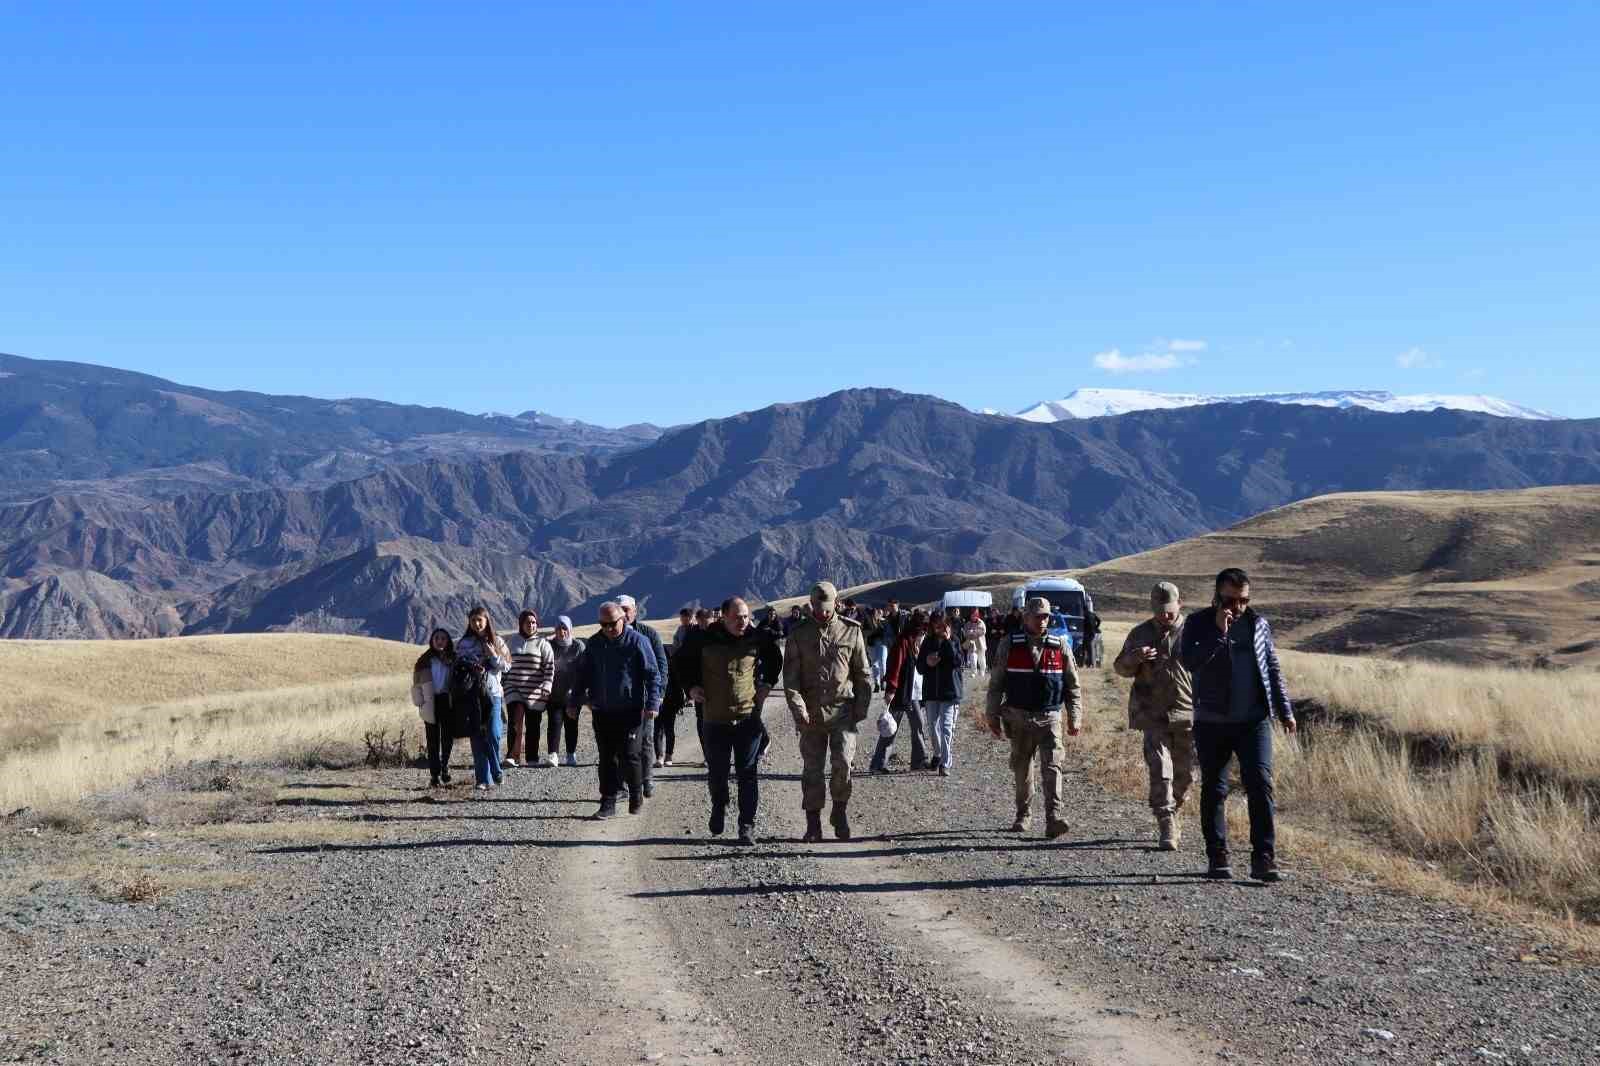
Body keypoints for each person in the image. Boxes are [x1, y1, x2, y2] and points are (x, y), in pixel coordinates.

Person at [1179, 568, 1296, 883]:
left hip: (1253, 720)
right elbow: (1189, 662)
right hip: (1212, 721)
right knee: (1215, 790)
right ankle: (1217, 856)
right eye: (1231, 600)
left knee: (1260, 784)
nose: (1238, 607)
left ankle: (1264, 859)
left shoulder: (1258, 625)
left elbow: (1271, 666)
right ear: (1217, 595)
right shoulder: (1197, 623)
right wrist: (1218, 632)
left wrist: (1285, 710)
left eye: (1244, 600)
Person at [677, 596, 783, 845]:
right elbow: (681, 663)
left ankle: (746, 825)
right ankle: (719, 805)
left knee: (748, 773)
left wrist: (766, 685)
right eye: (737, 617)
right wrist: (691, 688)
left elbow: (775, 660)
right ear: (723, 616)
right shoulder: (703, 638)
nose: (743, 622)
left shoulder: (756, 637)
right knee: (718, 773)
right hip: (714, 720)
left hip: (748, 718)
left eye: (746, 616)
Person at [782, 580, 873, 842]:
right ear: (811, 605)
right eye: (817, 607)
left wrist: (861, 709)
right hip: (812, 714)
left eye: (826, 607)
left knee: (843, 764)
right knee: (812, 769)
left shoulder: (851, 631)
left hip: (843, 712)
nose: (822, 612)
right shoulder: (799, 634)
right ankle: (813, 823)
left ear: (836, 603)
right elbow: (791, 680)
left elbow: (863, 675)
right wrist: (799, 710)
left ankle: (840, 811)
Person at [984, 596, 1082, 838]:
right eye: (1037, 616)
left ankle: (1053, 818)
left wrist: (1075, 716)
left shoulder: (1059, 645)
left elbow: (1073, 685)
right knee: (1022, 769)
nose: (1042, 620)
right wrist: (992, 715)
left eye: (1045, 616)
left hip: (1050, 717)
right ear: (1025, 617)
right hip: (1019, 718)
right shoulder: (1010, 644)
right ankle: (1023, 815)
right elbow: (996, 683)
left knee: (1053, 767)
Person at [1113, 582, 1194, 851]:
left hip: (1186, 713)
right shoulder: (1140, 634)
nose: (1166, 616)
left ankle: (1174, 809)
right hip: (1151, 713)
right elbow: (1120, 669)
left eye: (1170, 610)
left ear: (1179, 604)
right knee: (1161, 769)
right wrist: (1134, 658)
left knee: (1185, 775)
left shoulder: (1193, 632)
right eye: (1160, 611)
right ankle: (1166, 821)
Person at [567, 601, 661, 819]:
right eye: (603, 624)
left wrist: (653, 703)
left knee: (630, 755)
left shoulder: (638, 641)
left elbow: (652, 674)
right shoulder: (594, 644)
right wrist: (574, 703)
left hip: (631, 710)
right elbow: (583, 675)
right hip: (602, 710)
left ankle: (636, 793)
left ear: (623, 619)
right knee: (607, 757)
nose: (608, 628)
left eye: (612, 624)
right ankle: (608, 802)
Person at [455, 607, 510, 793]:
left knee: (494, 733)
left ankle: (496, 767)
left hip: (493, 694)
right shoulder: (463, 643)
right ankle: (483, 779)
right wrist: (470, 666)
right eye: (473, 620)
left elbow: (507, 666)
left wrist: (492, 654)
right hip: (471, 696)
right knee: (477, 737)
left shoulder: (498, 641)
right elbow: (458, 667)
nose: (476, 624)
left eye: (480, 620)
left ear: (487, 620)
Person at [617, 595, 668, 786]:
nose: (623, 613)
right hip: (619, 700)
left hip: (645, 698)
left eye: (626, 609)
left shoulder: (649, 634)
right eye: (619, 609)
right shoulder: (610, 635)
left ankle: (646, 779)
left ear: (635, 611)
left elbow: (661, 666)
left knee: (645, 740)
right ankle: (622, 783)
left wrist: (659, 694)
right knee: (620, 743)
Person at [872, 609, 930, 772]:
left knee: (918, 723)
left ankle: (919, 761)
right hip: (901, 692)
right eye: (923, 627)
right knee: (890, 727)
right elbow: (895, 666)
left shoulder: (918, 641)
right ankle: (878, 763)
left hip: (914, 692)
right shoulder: (903, 641)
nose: (925, 630)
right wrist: (891, 689)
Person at [503, 610, 556, 768]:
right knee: (514, 722)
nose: (531, 625)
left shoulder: (542, 643)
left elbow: (549, 667)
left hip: (535, 691)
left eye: (533, 622)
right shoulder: (512, 641)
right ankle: (513, 756)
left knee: (533, 725)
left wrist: (547, 684)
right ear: (521, 624)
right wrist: (503, 683)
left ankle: (532, 757)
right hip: (514, 688)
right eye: (528, 622)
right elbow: (505, 665)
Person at [918, 611, 965, 776]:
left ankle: (945, 763)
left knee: (946, 727)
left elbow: (959, 662)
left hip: (950, 691)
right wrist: (927, 662)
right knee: (932, 726)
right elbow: (920, 668)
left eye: (941, 624)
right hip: (931, 691)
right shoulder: (928, 642)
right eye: (935, 624)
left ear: (947, 624)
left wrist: (948, 641)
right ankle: (938, 754)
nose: (939, 628)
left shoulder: (954, 640)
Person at [411, 628, 456, 788]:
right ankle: (434, 774)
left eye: (443, 638)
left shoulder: (453, 659)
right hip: (430, 702)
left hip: (447, 700)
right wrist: (419, 702)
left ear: (448, 641)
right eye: (437, 638)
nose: (440, 641)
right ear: (432, 640)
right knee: (432, 739)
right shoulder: (424, 660)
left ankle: (445, 767)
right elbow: (416, 684)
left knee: (447, 737)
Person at [548, 616, 585, 766]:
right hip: (554, 693)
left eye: (564, 628)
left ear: (570, 629)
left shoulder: (578, 646)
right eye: (558, 628)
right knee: (554, 723)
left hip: (574, 695)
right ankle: (553, 754)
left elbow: (584, 670)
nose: (561, 632)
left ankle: (571, 754)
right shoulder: (549, 645)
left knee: (571, 724)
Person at [864, 608, 890, 692]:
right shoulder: (868, 621)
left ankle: (883, 681)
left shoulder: (884, 622)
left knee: (882, 662)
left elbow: (888, 633)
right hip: (872, 644)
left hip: (882, 644)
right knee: (875, 664)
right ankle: (877, 684)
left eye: (879, 613)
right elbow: (865, 632)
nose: (876, 614)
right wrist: (872, 631)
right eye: (874, 613)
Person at [962, 608, 987, 675]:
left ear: (977, 615)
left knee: (981, 659)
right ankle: (974, 672)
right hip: (972, 644)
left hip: (980, 644)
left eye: (975, 615)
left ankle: (982, 670)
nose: (973, 616)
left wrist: (974, 631)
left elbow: (983, 631)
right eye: (972, 615)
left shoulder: (981, 622)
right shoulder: (968, 623)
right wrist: (968, 632)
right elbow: (965, 633)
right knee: (973, 658)